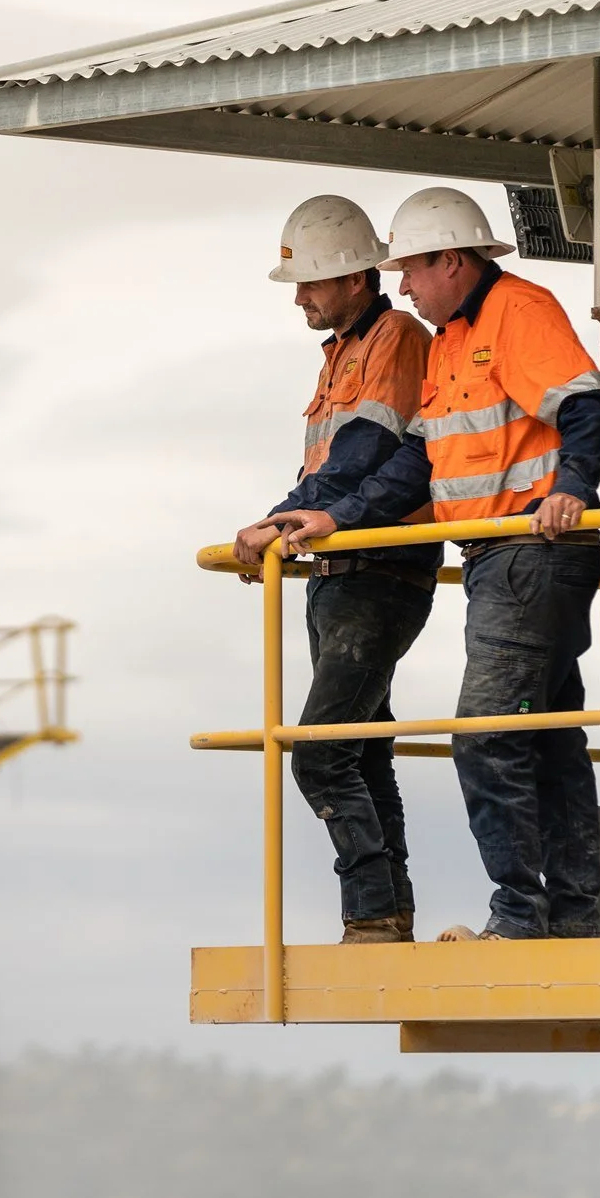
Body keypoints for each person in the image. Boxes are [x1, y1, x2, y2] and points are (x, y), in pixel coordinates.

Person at [275, 186, 600, 942]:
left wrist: (570, 487)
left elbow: (589, 404)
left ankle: (520, 917)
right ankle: (572, 914)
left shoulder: (517, 314)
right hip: (499, 557)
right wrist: (336, 515)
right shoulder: (456, 337)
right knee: (549, 736)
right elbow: (417, 459)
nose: (403, 285)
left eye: (413, 270)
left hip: (533, 552)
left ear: (453, 262)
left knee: (486, 735)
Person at [233, 196, 441, 945]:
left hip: (380, 570)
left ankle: (371, 910)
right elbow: (331, 465)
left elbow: (363, 456)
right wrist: (286, 520)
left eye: (313, 282)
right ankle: (388, 912)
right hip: (339, 572)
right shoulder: (343, 351)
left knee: (321, 751)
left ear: (358, 278)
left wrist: (279, 520)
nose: (300, 297)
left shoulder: (397, 339)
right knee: (362, 746)